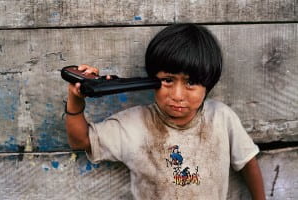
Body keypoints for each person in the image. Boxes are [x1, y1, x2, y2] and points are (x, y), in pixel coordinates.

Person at [64, 23, 266, 199]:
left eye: (191, 83)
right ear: (151, 79)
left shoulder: (221, 118)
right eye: (168, 80)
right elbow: (81, 140)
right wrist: (75, 98)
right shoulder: (135, 125)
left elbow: (248, 162)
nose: (177, 95)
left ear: (208, 84)